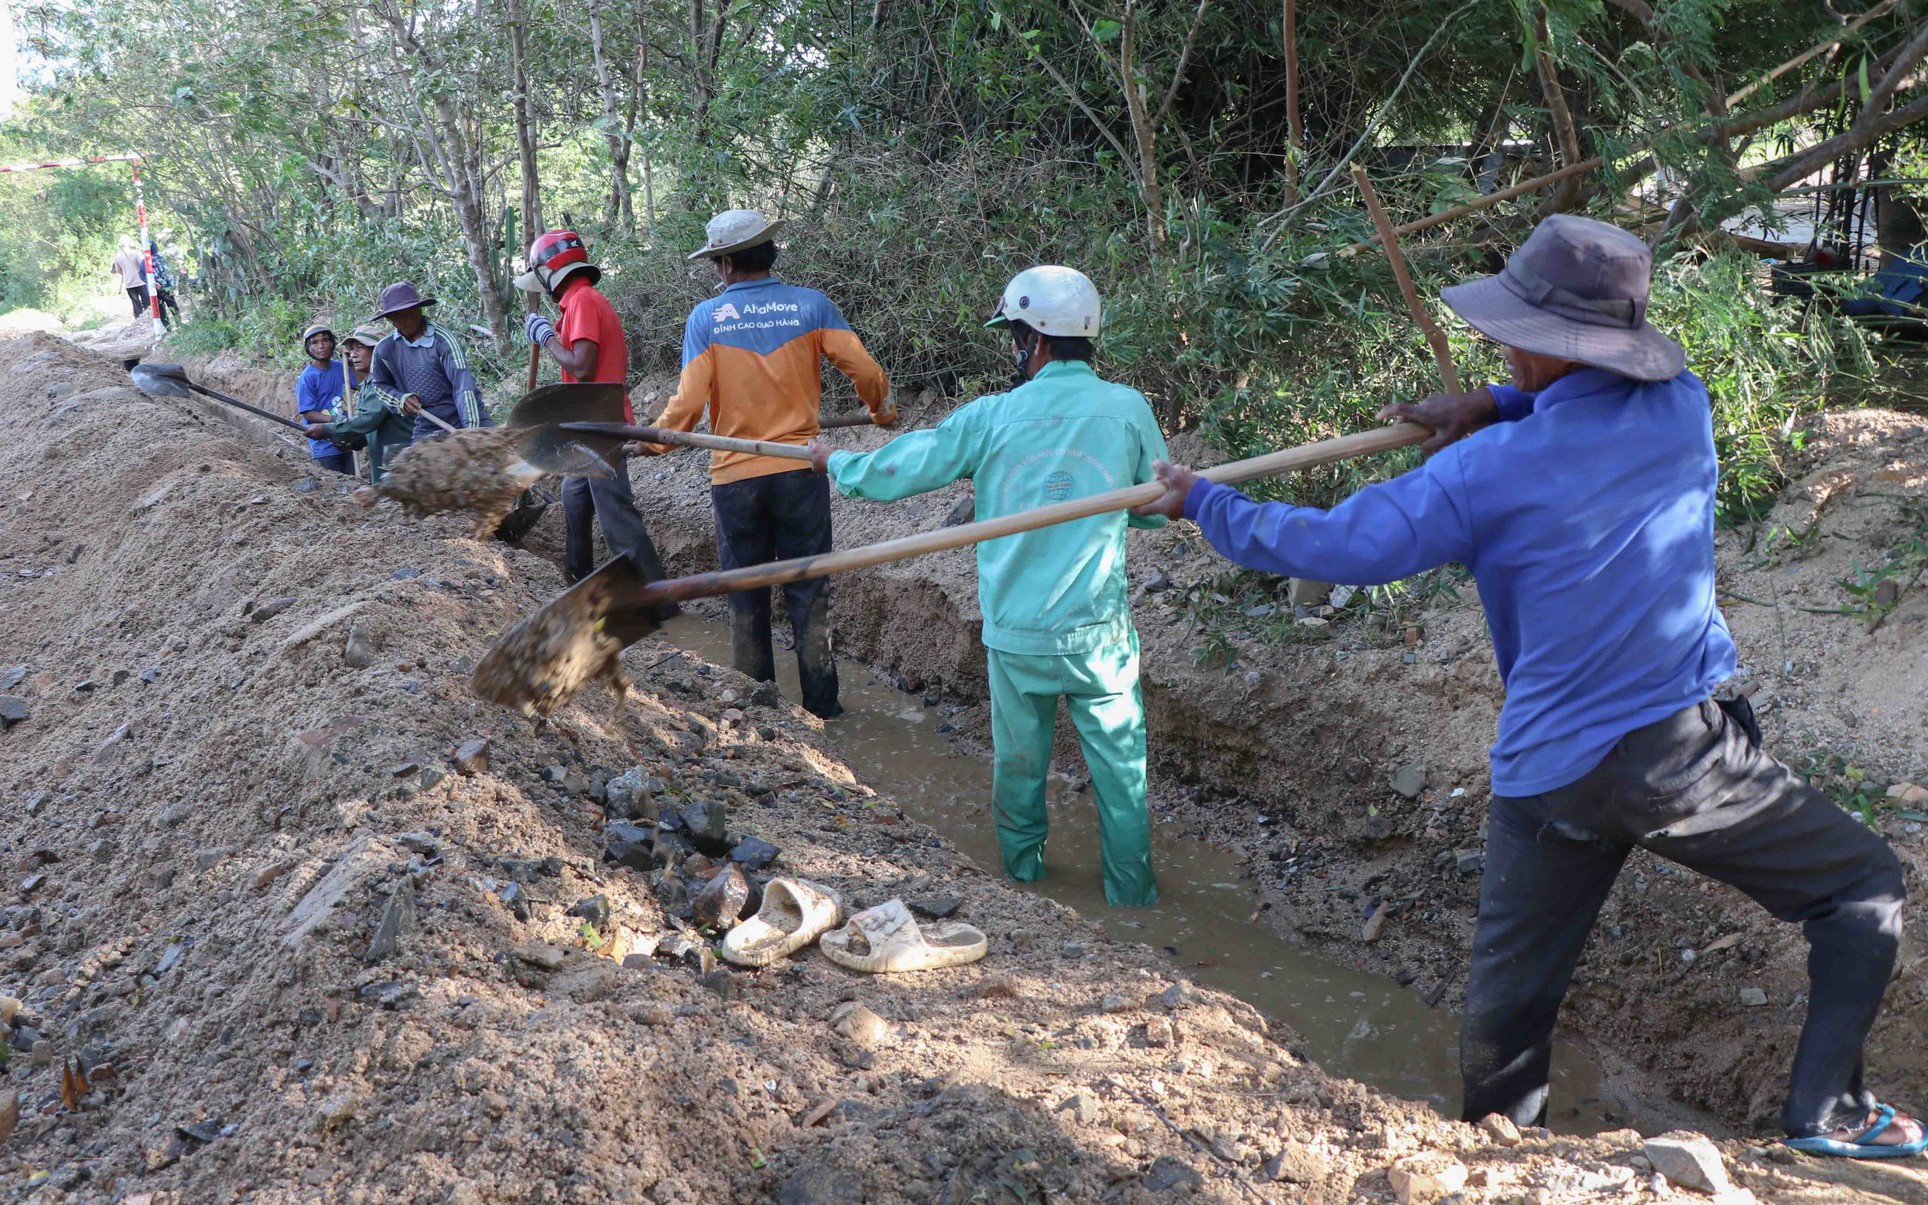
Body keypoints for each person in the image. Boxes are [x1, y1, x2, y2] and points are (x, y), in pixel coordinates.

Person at [1135, 215, 1919, 1154]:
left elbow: (1335, 545)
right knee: (1860, 884)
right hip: (1684, 759)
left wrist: (1203, 500)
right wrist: (1497, 404)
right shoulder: (1687, 410)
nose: (1502, 348)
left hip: (1548, 773)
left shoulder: (1481, 475)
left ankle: (1497, 1159)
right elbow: (1584, 417)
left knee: (1509, 1010)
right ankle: (1828, 1113)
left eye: (1514, 339)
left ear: (1542, 347)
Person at [807, 266, 1166, 908]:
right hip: (1100, 638)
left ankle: (1023, 887)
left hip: (1018, 635)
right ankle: (1132, 897)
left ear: (1037, 340)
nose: (1014, 350)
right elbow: (1150, 505)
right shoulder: (1128, 409)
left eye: (1016, 337)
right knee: (1121, 775)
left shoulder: (992, 417)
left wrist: (838, 463)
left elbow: (907, 465)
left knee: (1020, 765)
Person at [650, 209, 893, 718]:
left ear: (726, 265)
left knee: (746, 594)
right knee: (809, 590)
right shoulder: (812, 306)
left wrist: (657, 444)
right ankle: (822, 707)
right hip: (801, 471)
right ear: (769, 254)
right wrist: (880, 409)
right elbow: (865, 369)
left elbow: (689, 403)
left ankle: (757, 711)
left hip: (736, 480)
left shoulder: (707, 318)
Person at [515, 229, 675, 599]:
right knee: (574, 498)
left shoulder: (584, 300)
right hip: (585, 424)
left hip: (601, 424)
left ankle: (658, 597)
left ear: (549, 274)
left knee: (615, 515)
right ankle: (578, 578)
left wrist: (546, 338)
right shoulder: (576, 303)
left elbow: (583, 366)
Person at [365, 281, 487, 441]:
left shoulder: (443, 341)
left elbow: (464, 388)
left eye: (411, 311)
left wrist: (473, 432)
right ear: (390, 319)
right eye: (400, 315)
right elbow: (379, 385)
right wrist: (400, 399)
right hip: (427, 424)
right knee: (414, 465)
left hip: (465, 416)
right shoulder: (385, 349)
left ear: (420, 309)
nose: (408, 318)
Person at [302, 325, 414, 483]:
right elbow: (371, 428)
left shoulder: (386, 382)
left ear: (379, 350)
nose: (353, 354)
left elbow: (367, 421)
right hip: (387, 464)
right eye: (351, 349)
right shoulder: (368, 384)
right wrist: (354, 442)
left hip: (402, 464)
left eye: (360, 348)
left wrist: (327, 430)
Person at [295, 324, 357, 476]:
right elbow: (308, 413)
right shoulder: (307, 378)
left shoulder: (341, 368)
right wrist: (336, 419)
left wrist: (351, 362)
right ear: (308, 348)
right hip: (324, 446)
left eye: (325, 340)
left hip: (346, 439)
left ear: (332, 343)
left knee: (353, 481)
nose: (321, 346)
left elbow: (360, 383)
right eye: (314, 343)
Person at [111, 237, 149, 320]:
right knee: (146, 302)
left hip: (129, 283)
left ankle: (138, 320)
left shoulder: (117, 257)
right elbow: (143, 265)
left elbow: (118, 270)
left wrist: (126, 273)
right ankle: (148, 319)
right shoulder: (136, 253)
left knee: (135, 303)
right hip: (141, 281)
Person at [146, 237, 181, 329]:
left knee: (161, 309)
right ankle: (179, 324)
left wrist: (156, 283)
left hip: (156, 288)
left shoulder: (147, 261)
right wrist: (171, 285)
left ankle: (168, 328)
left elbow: (152, 274)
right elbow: (167, 272)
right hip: (165, 287)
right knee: (173, 305)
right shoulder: (159, 258)